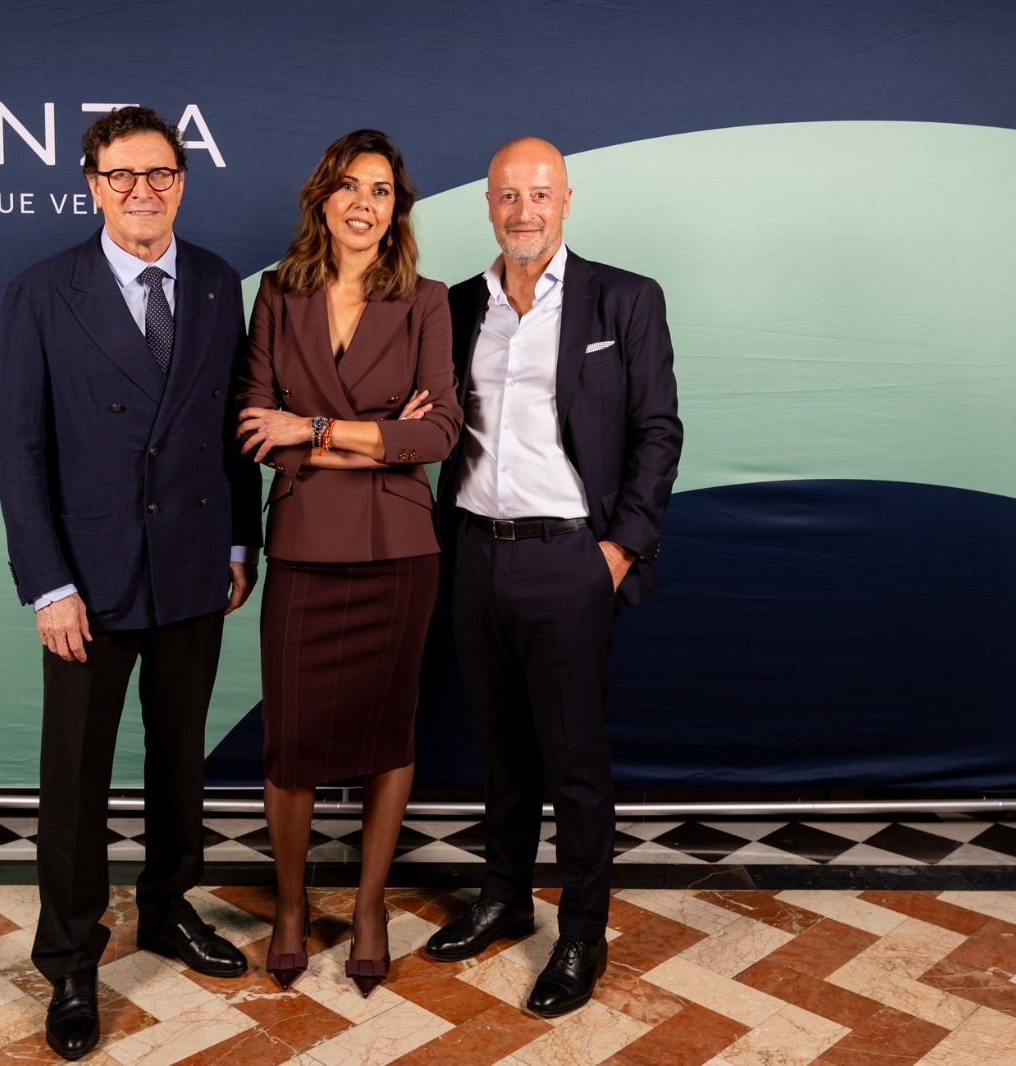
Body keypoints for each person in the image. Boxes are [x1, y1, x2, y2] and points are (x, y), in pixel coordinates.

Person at [0, 105, 262, 1061]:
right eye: (121, 176)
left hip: (194, 565)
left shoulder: (223, 282)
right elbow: (19, 453)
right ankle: (68, 960)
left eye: (158, 174)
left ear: (181, 180)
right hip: (89, 580)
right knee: (75, 779)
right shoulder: (41, 291)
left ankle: (165, 907)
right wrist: (47, 585)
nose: (140, 192)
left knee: (179, 755)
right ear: (92, 185)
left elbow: (234, 425)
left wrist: (240, 544)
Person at [422, 137, 682, 1018]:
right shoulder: (456, 306)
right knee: (499, 750)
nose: (522, 210)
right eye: (506, 196)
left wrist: (618, 551)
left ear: (567, 199)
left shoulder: (625, 298)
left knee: (573, 759)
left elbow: (658, 433)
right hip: (473, 553)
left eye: (539, 194)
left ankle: (582, 931)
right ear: (487, 206)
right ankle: (502, 899)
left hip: (571, 559)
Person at [235, 128, 460, 998]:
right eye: (349, 187)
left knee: (388, 731)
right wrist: (374, 437)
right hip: (301, 546)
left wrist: (314, 429)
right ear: (321, 198)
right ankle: (292, 907)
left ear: (396, 209)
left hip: (401, 550)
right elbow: (256, 427)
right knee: (289, 740)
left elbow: (437, 434)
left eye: (381, 190)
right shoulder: (276, 296)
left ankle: (368, 906)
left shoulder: (428, 301)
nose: (364, 203)